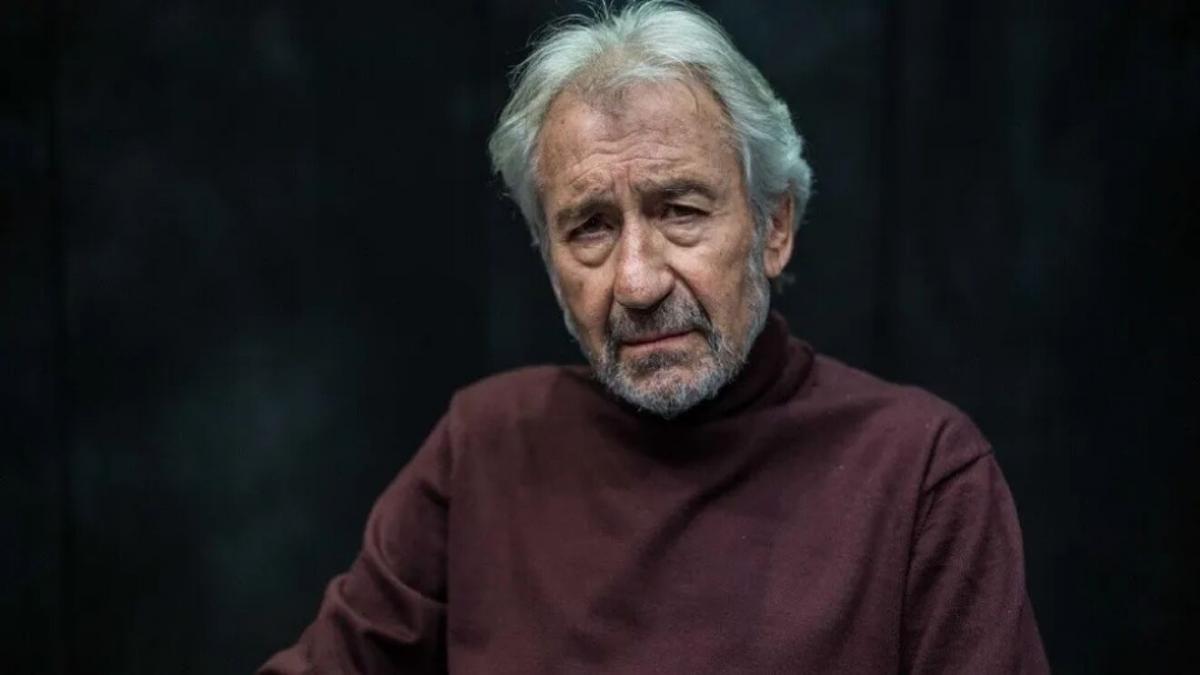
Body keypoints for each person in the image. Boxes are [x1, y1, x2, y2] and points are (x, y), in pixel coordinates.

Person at [259, 1, 1049, 672]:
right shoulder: (483, 447)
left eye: (680, 211)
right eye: (591, 227)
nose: (637, 282)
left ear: (774, 227)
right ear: (548, 258)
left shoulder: (922, 473)